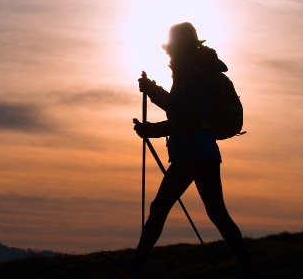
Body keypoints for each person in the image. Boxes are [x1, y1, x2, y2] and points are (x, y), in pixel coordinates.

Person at [104, 22, 261, 279]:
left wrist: (154, 93)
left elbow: (184, 113)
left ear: (183, 48)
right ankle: (248, 269)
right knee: (216, 213)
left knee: (162, 206)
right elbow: (183, 116)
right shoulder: (191, 75)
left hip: (193, 153)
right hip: (200, 152)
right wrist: (152, 130)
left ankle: (135, 265)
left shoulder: (198, 76)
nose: (169, 55)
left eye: (172, 50)